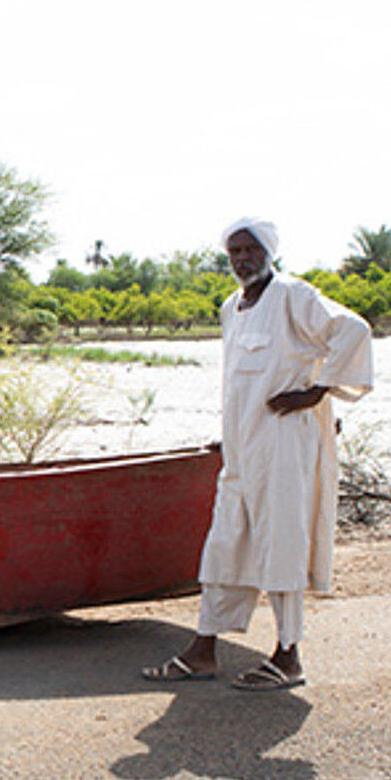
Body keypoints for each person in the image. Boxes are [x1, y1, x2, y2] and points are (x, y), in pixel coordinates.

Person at [143, 216, 373, 691]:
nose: (243, 259)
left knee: (281, 544)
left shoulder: (293, 295)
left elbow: (352, 330)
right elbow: (240, 383)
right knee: (225, 543)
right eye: (235, 252)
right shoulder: (233, 307)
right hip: (243, 449)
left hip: (283, 444)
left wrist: (316, 392)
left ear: (269, 252)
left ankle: (288, 657)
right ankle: (203, 651)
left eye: (251, 250)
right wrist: (230, 434)